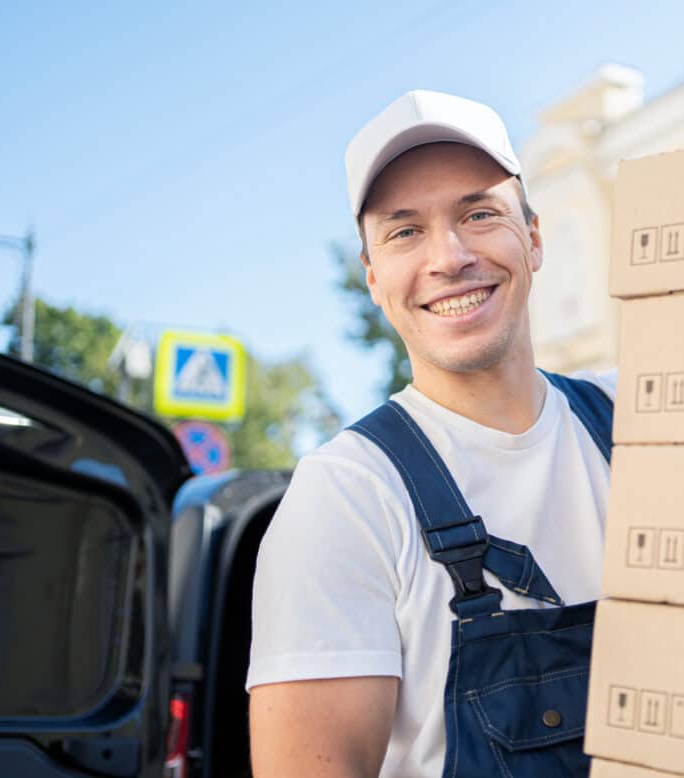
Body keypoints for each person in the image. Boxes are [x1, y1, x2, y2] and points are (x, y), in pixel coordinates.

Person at [246, 89, 616, 778]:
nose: (449, 257)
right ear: (374, 279)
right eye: (404, 231)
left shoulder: (638, 420)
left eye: (479, 213)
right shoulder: (349, 496)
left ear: (532, 239)